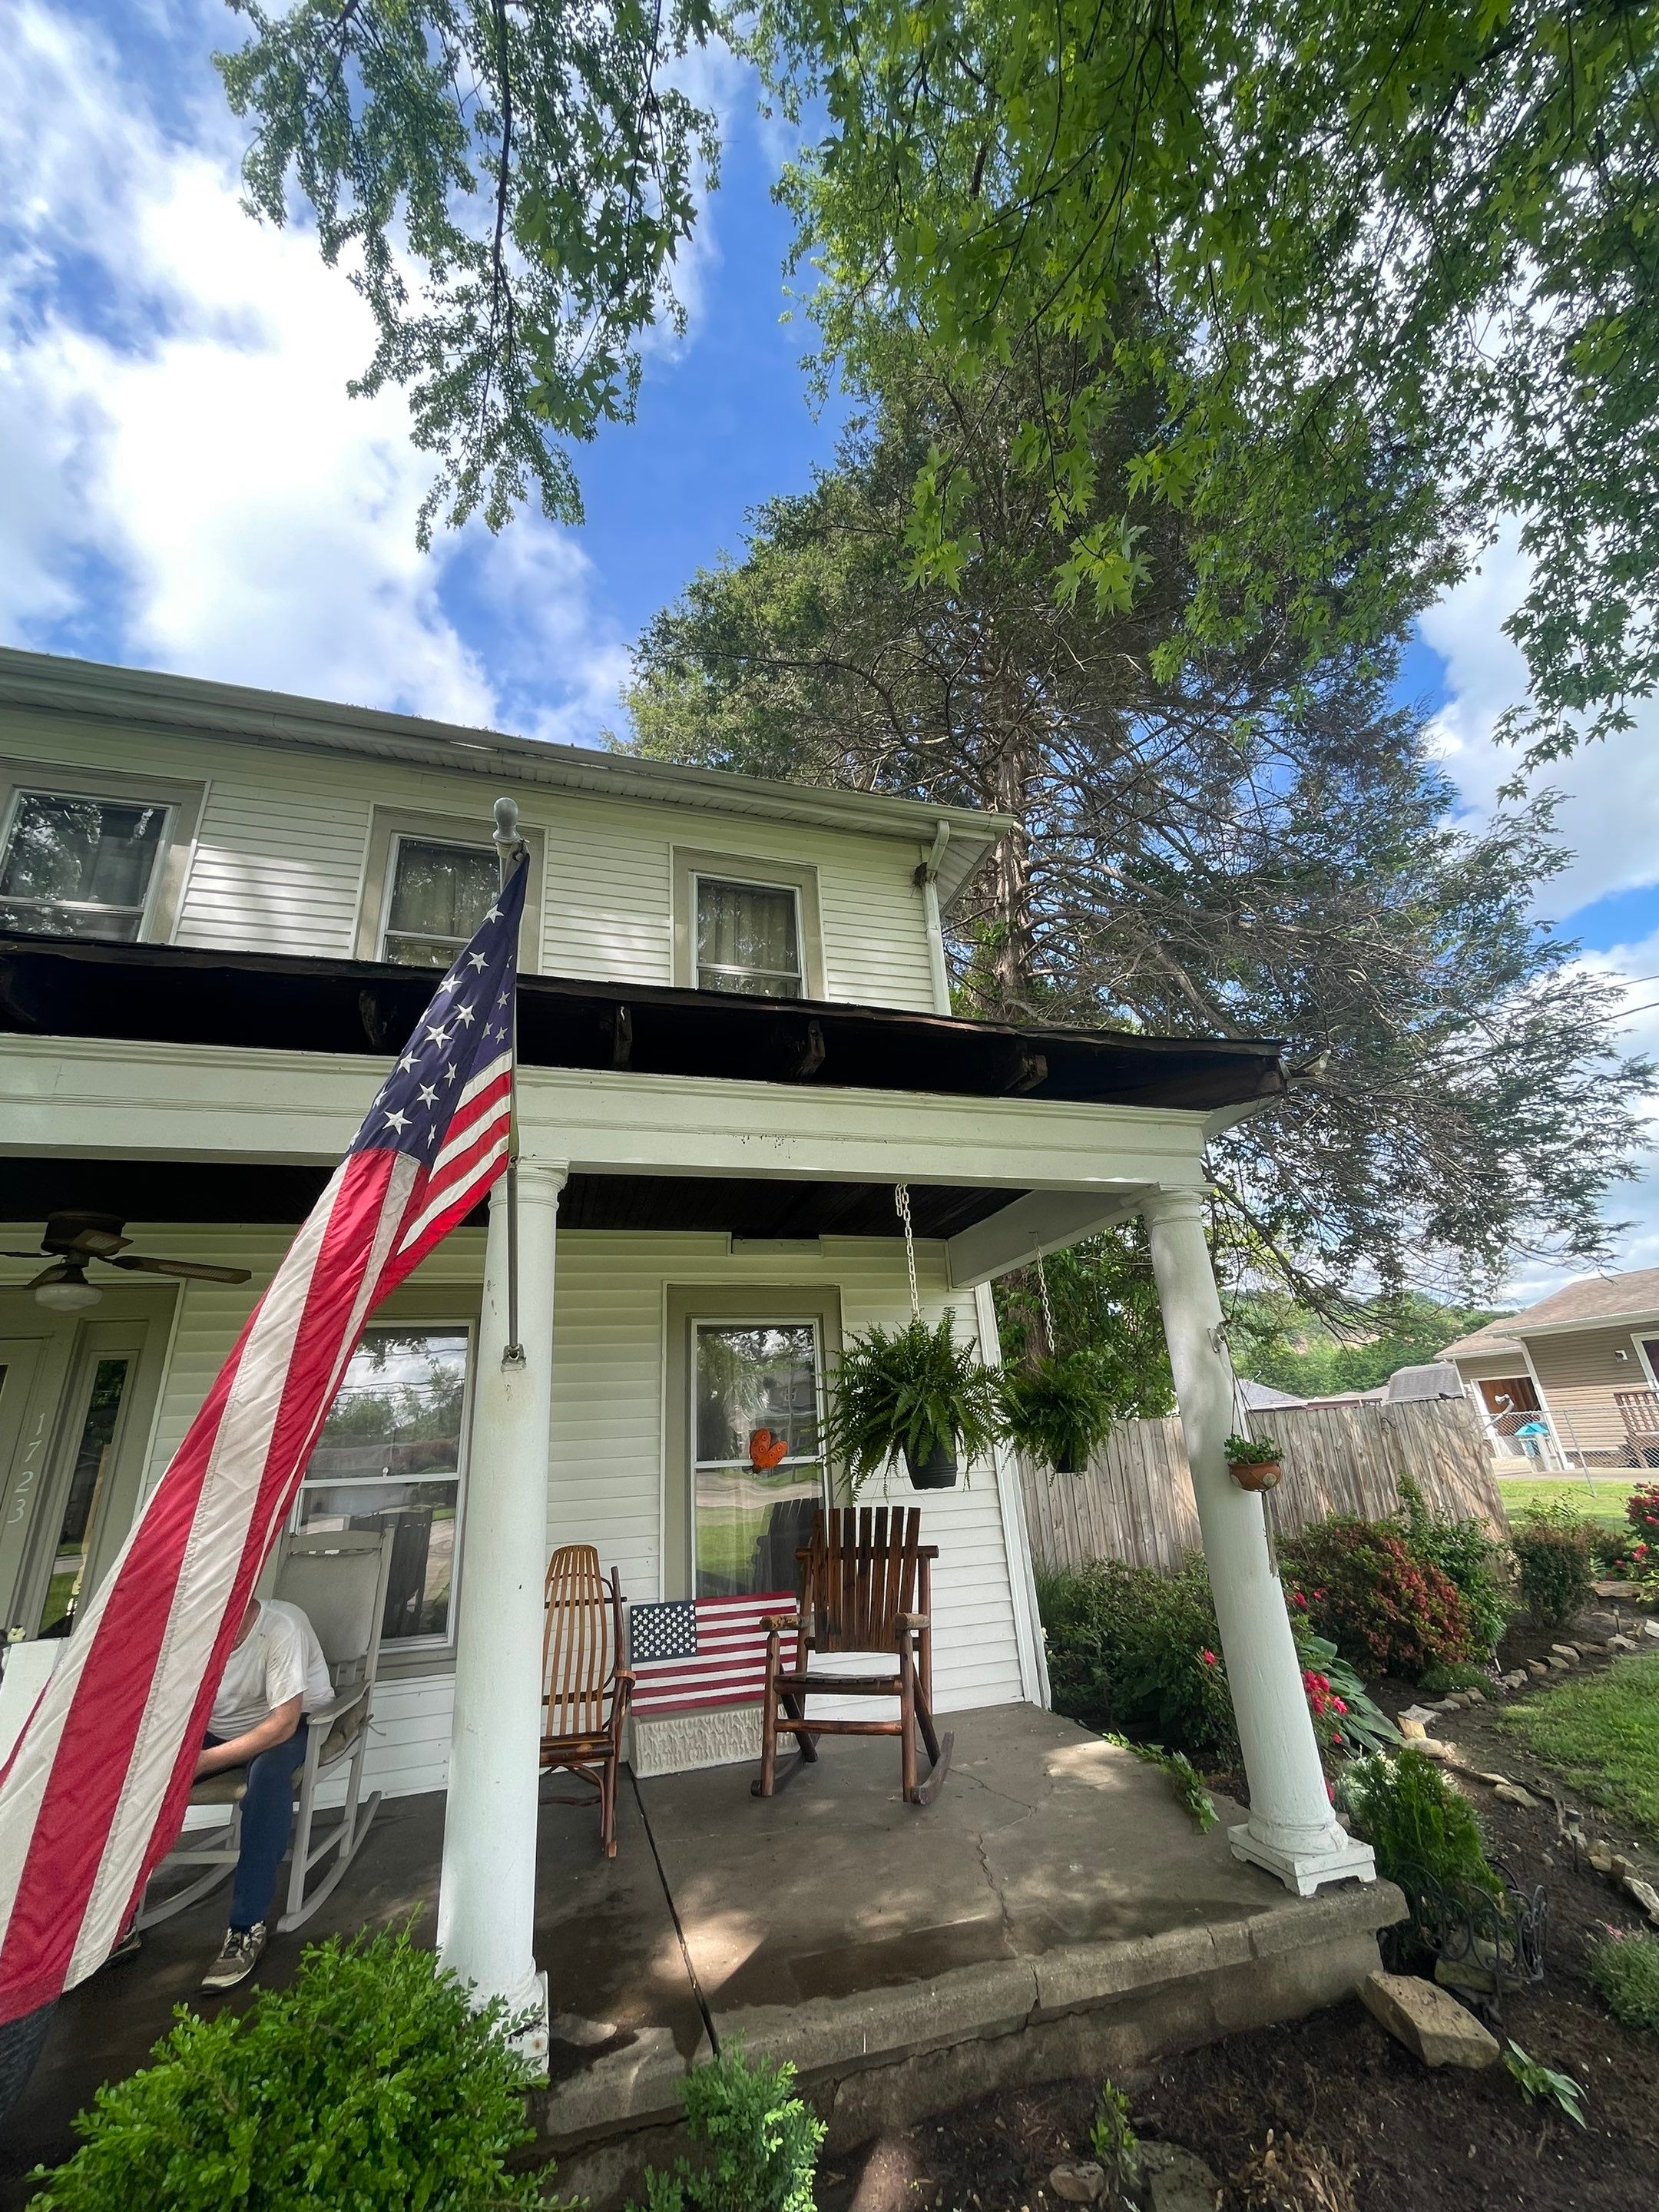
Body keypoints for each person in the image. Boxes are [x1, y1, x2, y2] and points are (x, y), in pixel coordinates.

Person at [193, 1592, 332, 1992]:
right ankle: (120, 1914)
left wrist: (204, 1762)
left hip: (294, 1722)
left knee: (268, 1780)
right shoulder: (194, 1631)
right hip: (222, 1729)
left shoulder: (280, 1629)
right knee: (145, 1779)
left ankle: (246, 1925)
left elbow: (282, 1726)